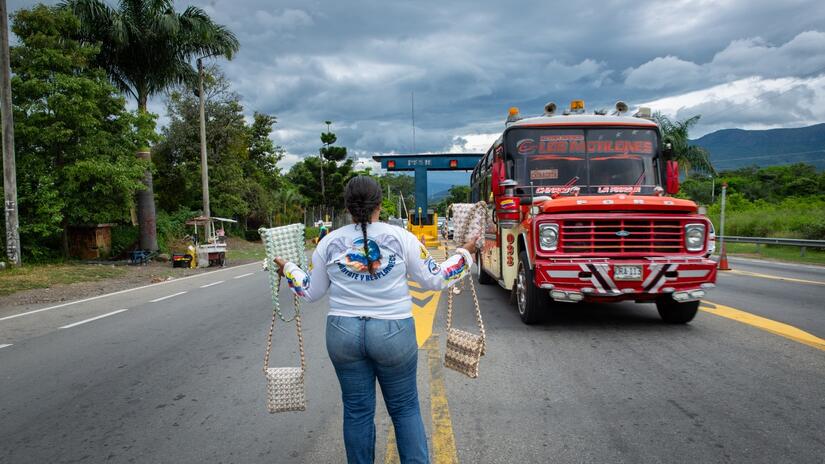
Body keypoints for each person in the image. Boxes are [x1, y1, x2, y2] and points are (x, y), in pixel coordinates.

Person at [274, 176, 477, 464]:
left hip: (342, 332)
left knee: (356, 410)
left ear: (347, 206)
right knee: (405, 408)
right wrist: (464, 256)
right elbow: (435, 278)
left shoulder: (328, 242)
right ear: (380, 205)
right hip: (393, 332)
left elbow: (309, 291)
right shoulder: (401, 237)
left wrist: (289, 268)